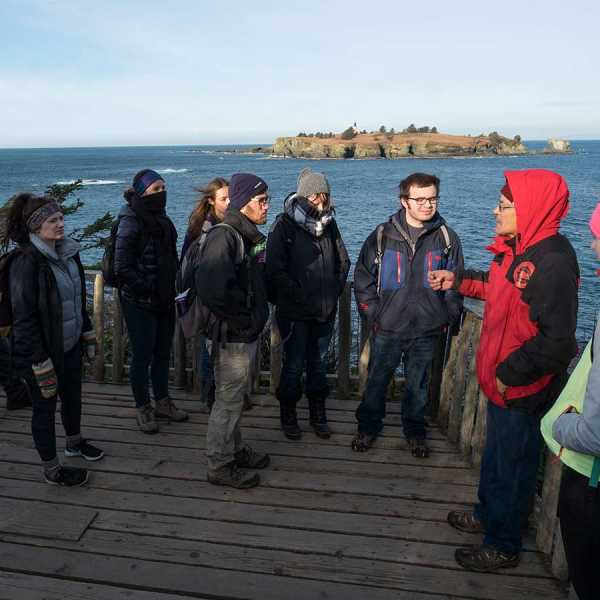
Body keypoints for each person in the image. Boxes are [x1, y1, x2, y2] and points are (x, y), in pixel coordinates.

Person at [429, 169, 579, 572]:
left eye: (504, 205)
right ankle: (486, 514)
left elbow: (556, 342)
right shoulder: (515, 249)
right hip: (502, 386)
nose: (495, 211)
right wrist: (457, 280)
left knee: (514, 467)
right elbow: (497, 288)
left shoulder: (553, 262)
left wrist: (508, 374)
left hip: (521, 389)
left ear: (529, 207)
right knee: (496, 459)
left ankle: (502, 544)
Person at [352, 172, 463, 457]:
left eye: (433, 198)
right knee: (377, 381)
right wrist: (374, 314)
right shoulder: (382, 236)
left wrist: (447, 314)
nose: (428, 205)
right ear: (405, 201)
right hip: (388, 328)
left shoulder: (447, 238)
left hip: (427, 329)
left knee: (418, 386)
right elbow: (363, 279)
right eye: (420, 199)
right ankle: (367, 428)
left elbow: (456, 281)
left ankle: (415, 432)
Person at [4, 193, 103, 486]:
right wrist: (39, 361)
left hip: (69, 346)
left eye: (61, 218)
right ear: (36, 226)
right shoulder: (26, 263)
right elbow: (24, 319)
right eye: (52, 220)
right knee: (44, 409)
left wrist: (86, 332)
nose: (60, 224)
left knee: (73, 397)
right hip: (42, 355)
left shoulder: (69, 254)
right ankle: (52, 469)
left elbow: (76, 299)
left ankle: (74, 442)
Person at [195, 172, 270, 489]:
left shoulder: (244, 234)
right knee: (227, 400)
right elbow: (212, 289)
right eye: (261, 200)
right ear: (244, 203)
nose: (267, 206)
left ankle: (234, 449)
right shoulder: (225, 236)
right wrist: (243, 321)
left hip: (242, 332)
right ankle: (220, 464)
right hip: (232, 335)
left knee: (234, 397)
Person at [266, 168, 350, 439]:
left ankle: (318, 413)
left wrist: (334, 291)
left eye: (323, 197)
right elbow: (275, 270)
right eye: (314, 196)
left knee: (318, 365)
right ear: (302, 196)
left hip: (324, 311)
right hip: (294, 312)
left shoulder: (329, 224)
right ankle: (288, 414)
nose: (320, 203)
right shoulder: (283, 225)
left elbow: (343, 261)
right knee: (293, 365)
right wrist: (301, 296)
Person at [550, 203, 600, 600]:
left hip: (589, 474)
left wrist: (561, 424)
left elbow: (596, 433)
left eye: (598, 236)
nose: (593, 244)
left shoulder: (553, 260)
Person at [114, 169, 187, 433]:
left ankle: (163, 402)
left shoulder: (161, 218)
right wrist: (148, 288)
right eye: (156, 189)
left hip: (164, 298)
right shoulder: (130, 220)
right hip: (139, 301)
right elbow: (122, 266)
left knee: (161, 353)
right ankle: (143, 407)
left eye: (163, 188)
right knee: (142, 354)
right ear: (142, 191)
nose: (162, 194)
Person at [180, 178, 229, 411]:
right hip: (205, 298)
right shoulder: (202, 228)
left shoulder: (231, 223)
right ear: (211, 201)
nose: (229, 202)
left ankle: (219, 393)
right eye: (223, 198)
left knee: (221, 347)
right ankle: (210, 397)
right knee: (210, 348)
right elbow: (188, 264)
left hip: (224, 296)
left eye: (231, 197)